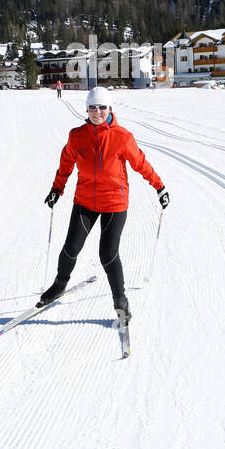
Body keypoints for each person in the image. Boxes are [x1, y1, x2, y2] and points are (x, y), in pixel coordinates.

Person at [40, 86, 168, 324]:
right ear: (86, 109)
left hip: (114, 203)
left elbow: (141, 163)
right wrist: (57, 189)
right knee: (70, 248)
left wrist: (159, 187)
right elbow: (66, 162)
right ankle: (58, 286)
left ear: (110, 108)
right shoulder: (77, 136)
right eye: (92, 107)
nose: (97, 111)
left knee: (108, 254)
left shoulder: (122, 137)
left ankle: (121, 303)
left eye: (102, 107)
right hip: (85, 201)